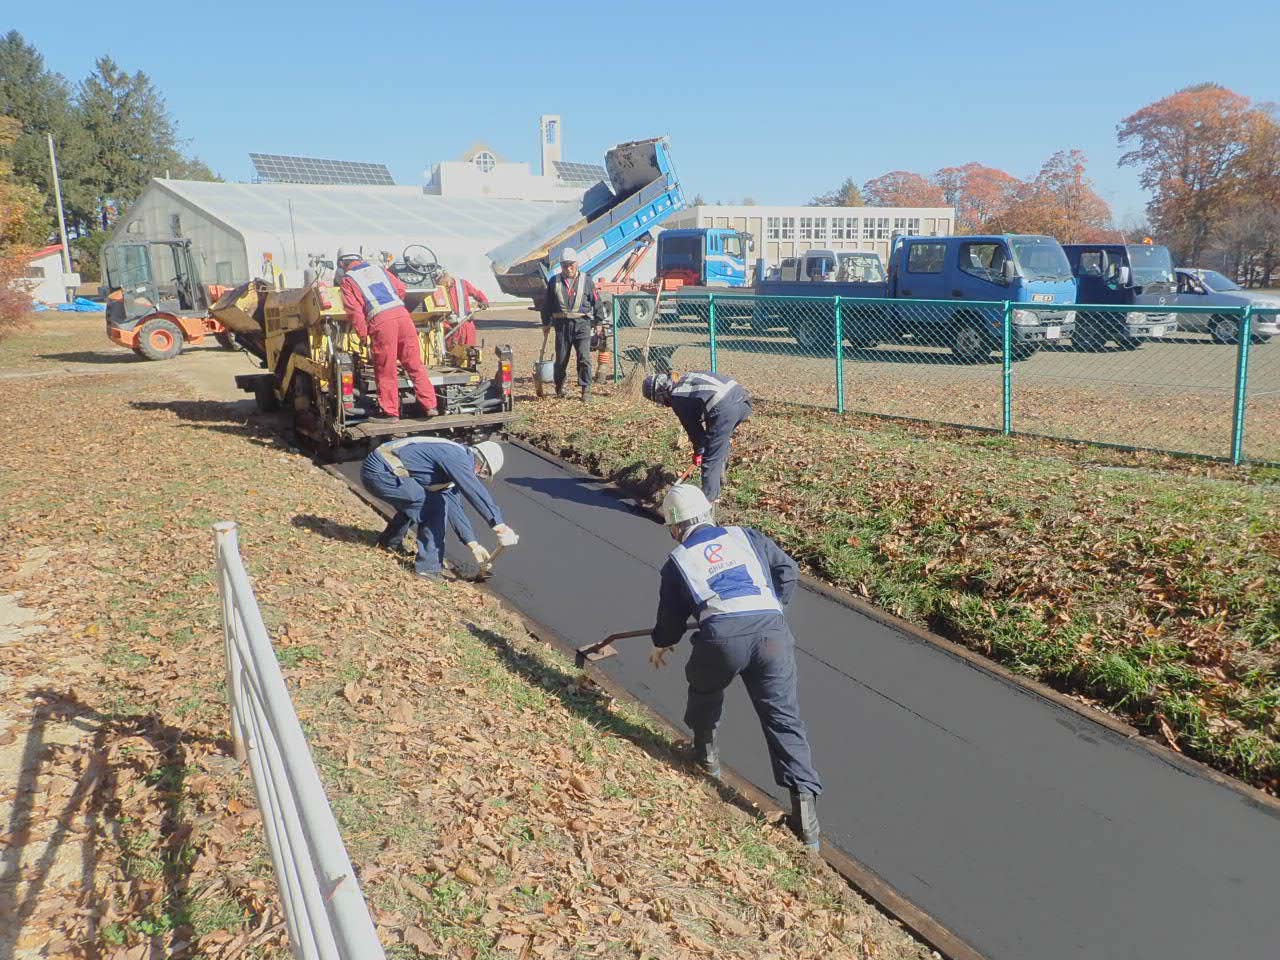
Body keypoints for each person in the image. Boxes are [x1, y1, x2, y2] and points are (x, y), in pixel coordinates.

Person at [649, 484, 822, 850]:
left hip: (722, 637)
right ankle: (805, 815)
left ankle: (705, 752)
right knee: (783, 718)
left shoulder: (678, 561)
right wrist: (771, 607)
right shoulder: (746, 536)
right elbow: (787, 571)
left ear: (675, 527)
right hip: (773, 635)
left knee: (704, 688)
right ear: (709, 514)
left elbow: (671, 619)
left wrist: (663, 643)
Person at [360, 437, 519, 580]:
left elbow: (456, 509)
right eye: (483, 473)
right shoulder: (457, 457)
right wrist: (499, 526)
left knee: (419, 500)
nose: (479, 476)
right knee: (434, 507)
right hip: (379, 472)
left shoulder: (452, 468)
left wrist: (473, 544)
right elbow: (474, 490)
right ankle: (428, 570)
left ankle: (389, 542)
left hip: (387, 472)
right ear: (479, 462)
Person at [337, 247, 438, 423]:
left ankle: (390, 413)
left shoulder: (347, 280)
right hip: (403, 315)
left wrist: (363, 335)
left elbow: (354, 311)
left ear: (341, 263)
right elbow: (401, 288)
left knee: (386, 368)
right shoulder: (379, 269)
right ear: (359, 258)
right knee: (414, 363)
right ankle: (430, 405)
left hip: (382, 321)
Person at [642, 372, 752, 503]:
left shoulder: (678, 398)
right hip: (742, 400)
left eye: (659, 400)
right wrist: (700, 448)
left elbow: (695, 432)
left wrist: (699, 452)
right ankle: (720, 470)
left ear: (662, 392)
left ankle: (708, 501)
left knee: (711, 458)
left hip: (725, 407)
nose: (663, 403)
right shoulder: (684, 380)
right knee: (718, 440)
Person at [540, 247, 606, 401]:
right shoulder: (553, 281)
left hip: (582, 324)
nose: (568, 268)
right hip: (562, 326)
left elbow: (596, 301)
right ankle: (559, 387)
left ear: (577, 264)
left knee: (584, 358)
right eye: (565, 265)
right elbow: (547, 304)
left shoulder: (587, 280)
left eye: (571, 265)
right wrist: (546, 322)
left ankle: (586, 390)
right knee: (561, 359)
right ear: (561, 265)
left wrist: (599, 321)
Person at [440, 269, 489, 348]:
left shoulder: (462, 284)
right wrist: (446, 327)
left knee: (470, 353)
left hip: (467, 325)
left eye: (446, 283)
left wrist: (484, 300)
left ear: (447, 277)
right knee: (452, 355)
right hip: (451, 329)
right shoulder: (438, 289)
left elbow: (476, 293)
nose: (446, 286)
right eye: (443, 284)